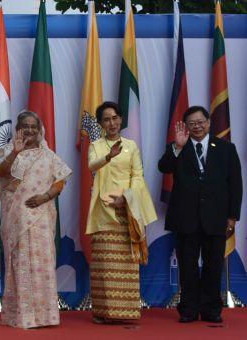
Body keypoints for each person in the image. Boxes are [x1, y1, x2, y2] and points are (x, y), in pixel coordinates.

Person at [158, 106, 242, 324]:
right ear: (186, 126)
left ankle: (211, 309)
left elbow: (235, 185)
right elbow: (163, 167)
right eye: (192, 123)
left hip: (216, 218)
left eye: (200, 122)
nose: (197, 126)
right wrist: (177, 146)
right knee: (187, 266)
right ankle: (189, 310)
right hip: (186, 218)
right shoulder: (178, 147)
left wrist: (232, 216)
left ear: (208, 122)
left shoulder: (226, 148)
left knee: (214, 266)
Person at [0, 110, 71, 329]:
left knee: (43, 264)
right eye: (25, 126)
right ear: (18, 129)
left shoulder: (48, 155)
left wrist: (45, 196)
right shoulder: (9, 150)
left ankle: (46, 316)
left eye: (33, 126)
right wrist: (14, 154)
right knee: (20, 263)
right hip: (17, 218)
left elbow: (61, 180)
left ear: (40, 130)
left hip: (42, 217)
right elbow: (1, 174)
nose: (29, 129)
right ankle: (21, 315)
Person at [86, 101, 157, 324]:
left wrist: (125, 197)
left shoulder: (131, 145)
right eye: (106, 119)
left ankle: (125, 313)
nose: (112, 123)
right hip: (104, 209)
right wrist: (108, 156)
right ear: (100, 123)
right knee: (105, 265)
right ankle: (103, 312)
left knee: (127, 263)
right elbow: (92, 166)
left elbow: (138, 175)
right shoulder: (96, 145)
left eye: (115, 118)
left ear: (121, 119)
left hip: (127, 208)